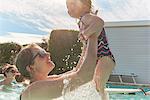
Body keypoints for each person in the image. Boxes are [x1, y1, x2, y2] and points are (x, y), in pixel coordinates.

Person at [15, 31, 98, 100]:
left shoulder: (46, 80)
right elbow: (85, 75)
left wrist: (86, 41)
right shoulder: (34, 90)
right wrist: (93, 35)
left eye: (45, 51)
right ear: (30, 67)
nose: (48, 54)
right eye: (41, 54)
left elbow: (76, 71)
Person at [66, 0, 116, 99]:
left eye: (72, 4)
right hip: (101, 58)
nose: (69, 9)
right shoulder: (82, 21)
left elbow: (100, 22)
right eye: (67, 7)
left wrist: (85, 33)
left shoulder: (85, 17)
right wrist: (77, 68)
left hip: (104, 57)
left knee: (98, 85)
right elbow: (85, 50)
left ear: (84, 6)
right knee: (96, 87)